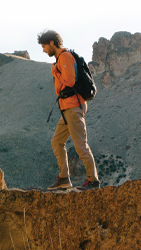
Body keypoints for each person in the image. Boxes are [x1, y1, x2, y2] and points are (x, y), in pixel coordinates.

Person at [38, 30, 100, 190]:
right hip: (67, 108)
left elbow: (70, 81)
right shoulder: (60, 59)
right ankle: (64, 178)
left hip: (73, 106)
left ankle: (93, 181)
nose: (43, 50)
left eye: (44, 46)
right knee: (57, 141)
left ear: (52, 43)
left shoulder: (65, 57)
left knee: (80, 145)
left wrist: (55, 72)